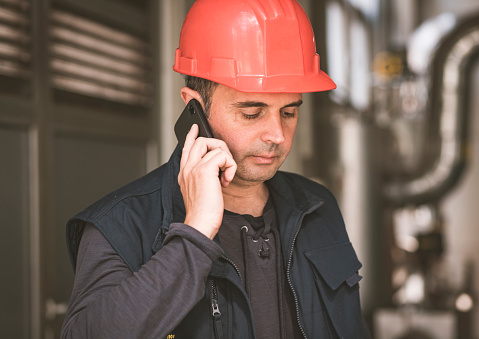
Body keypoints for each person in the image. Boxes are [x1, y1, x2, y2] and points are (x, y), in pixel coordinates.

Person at [62, 0, 370, 338]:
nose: (277, 135)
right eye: (252, 113)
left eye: (288, 112)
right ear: (194, 107)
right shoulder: (121, 225)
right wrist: (194, 236)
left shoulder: (317, 206)